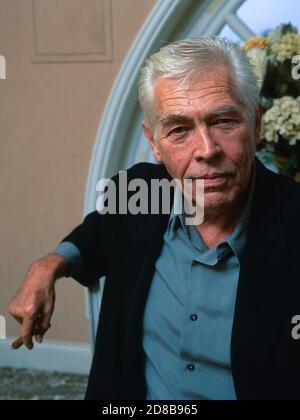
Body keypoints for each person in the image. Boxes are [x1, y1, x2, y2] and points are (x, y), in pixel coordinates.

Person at [9, 37, 300, 401]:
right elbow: (97, 231)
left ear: (255, 123)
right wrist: (48, 265)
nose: (206, 151)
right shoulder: (138, 191)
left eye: (224, 122)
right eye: (179, 130)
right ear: (154, 142)